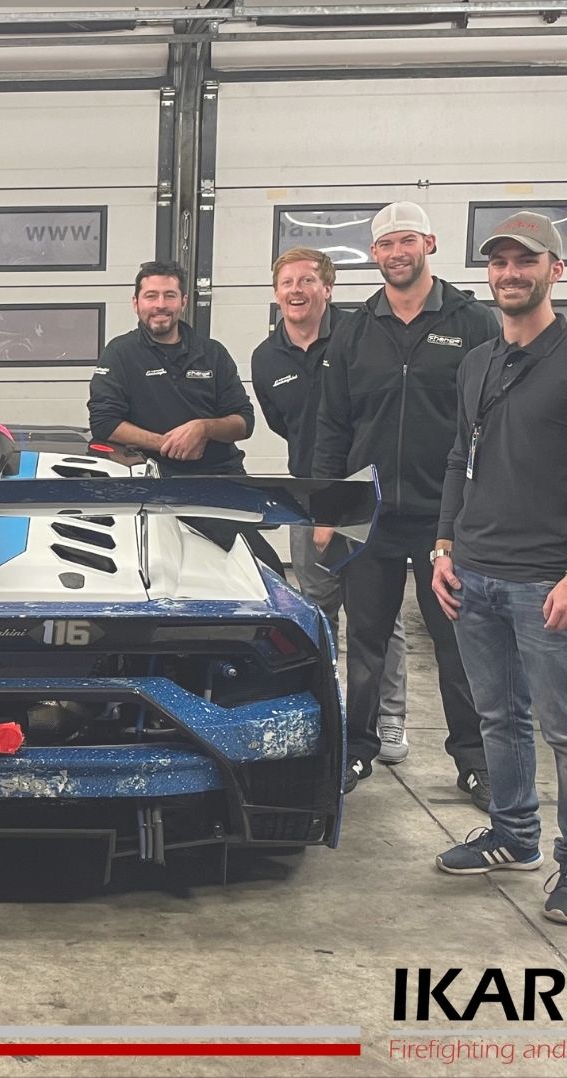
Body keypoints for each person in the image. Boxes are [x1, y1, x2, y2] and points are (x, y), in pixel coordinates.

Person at [431, 212, 567, 925]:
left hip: (546, 581)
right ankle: (515, 835)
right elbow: (459, 457)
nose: (510, 273)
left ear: (556, 270)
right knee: (498, 717)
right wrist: (444, 547)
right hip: (474, 574)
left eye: (526, 261)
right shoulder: (477, 363)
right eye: (499, 262)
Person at [313, 202, 500, 803]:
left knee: (457, 643)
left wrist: (480, 508)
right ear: (374, 254)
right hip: (370, 516)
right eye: (387, 244)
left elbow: (494, 421)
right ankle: (358, 750)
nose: (397, 253)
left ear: (430, 244)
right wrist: (327, 509)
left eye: (408, 241)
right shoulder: (355, 329)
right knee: (366, 643)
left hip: (448, 518)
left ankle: (474, 761)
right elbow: (332, 423)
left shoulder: (473, 322)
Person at [250, 247, 411, 765]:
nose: (296, 291)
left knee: (377, 615)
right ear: (276, 292)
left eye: (307, 281)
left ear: (328, 288)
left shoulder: (361, 335)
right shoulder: (266, 358)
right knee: (317, 612)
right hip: (307, 496)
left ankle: (388, 717)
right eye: (287, 282)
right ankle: (331, 711)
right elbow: (284, 424)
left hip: (362, 495)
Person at [88, 260, 256, 478]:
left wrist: (203, 428)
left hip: (220, 475)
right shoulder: (119, 354)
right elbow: (104, 423)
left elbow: (244, 422)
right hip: (148, 477)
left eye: (170, 295)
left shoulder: (213, 353)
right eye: (151, 296)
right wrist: (166, 444)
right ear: (135, 303)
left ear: (183, 302)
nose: (160, 305)